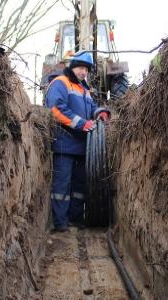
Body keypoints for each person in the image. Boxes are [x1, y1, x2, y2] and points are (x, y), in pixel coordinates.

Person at [45, 51, 110, 232]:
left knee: (79, 187)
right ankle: (60, 222)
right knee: (62, 185)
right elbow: (56, 109)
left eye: (86, 70)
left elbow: (92, 108)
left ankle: (75, 218)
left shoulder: (85, 89)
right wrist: (82, 124)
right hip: (64, 144)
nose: (83, 73)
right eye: (80, 68)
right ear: (72, 67)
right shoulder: (60, 83)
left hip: (83, 148)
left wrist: (100, 112)